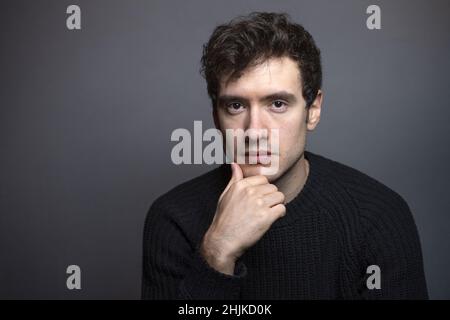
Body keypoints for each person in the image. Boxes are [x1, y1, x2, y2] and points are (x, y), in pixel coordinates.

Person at [141, 12, 428, 299]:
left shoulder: (378, 217)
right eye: (236, 106)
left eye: (277, 104)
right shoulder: (173, 219)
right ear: (216, 117)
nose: (254, 132)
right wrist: (217, 253)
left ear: (312, 110)